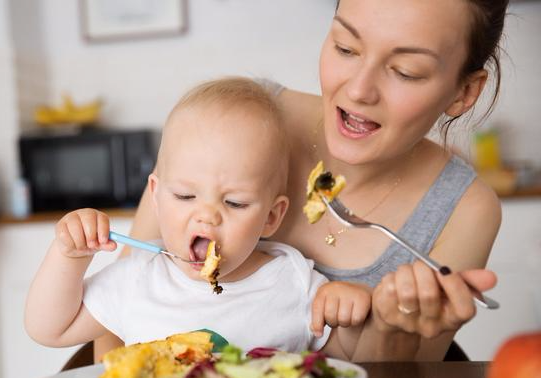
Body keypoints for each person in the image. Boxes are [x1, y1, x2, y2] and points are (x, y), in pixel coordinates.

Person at [95, 0, 506, 361]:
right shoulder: (235, 120)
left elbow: (404, 369)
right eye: (345, 47)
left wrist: (390, 328)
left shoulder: (464, 209)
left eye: (406, 71)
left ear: (464, 92)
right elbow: (117, 317)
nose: (359, 90)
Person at [24, 77, 376, 358]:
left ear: (271, 216)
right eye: (185, 196)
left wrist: (348, 314)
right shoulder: (138, 277)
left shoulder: (295, 283)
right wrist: (69, 255)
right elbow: (48, 329)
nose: (207, 216)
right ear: (157, 197)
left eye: (235, 203)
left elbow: (341, 362)